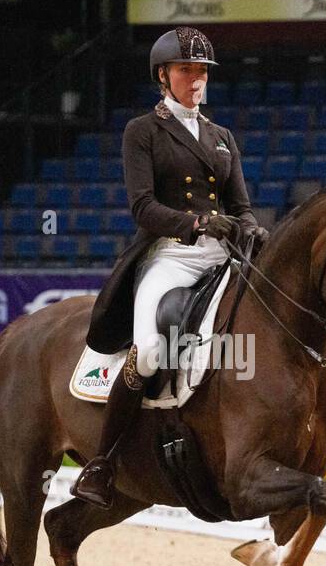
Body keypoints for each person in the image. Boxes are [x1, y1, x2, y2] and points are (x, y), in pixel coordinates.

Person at [72, 26, 268, 508]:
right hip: (172, 254)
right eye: (187, 70)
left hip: (223, 254)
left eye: (202, 72)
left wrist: (249, 227)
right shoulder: (143, 131)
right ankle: (102, 463)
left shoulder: (222, 137)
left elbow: (242, 205)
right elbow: (142, 207)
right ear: (164, 76)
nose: (197, 79)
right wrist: (199, 220)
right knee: (153, 349)